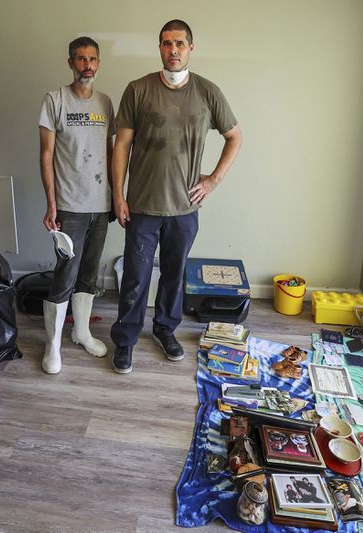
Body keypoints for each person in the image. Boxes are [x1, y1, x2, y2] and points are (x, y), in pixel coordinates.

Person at [109, 19, 243, 374]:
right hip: (141, 205)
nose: (173, 50)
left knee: (173, 274)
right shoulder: (138, 89)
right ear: (160, 48)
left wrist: (213, 180)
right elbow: (121, 144)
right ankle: (125, 340)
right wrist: (118, 196)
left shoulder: (207, 92)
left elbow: (235, 136)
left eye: (179, 43)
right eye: (166, 43)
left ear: (190, 48)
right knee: (136, 277)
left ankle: (165, 330)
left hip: (184, 207)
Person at [37, 36, 116, 374]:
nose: (87, 65)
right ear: (70, 62)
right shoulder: (54, 100)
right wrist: (51, 204)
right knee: (65, 274)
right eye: (81, 59)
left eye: (93, 59)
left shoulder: (105, 102)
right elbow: (46, 155)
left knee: (89, 273)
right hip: (69, 206)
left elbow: (112, 153)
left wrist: (117, 196)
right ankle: (52, 345)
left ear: (98, 63)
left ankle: (81, 332)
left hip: (100, 205)